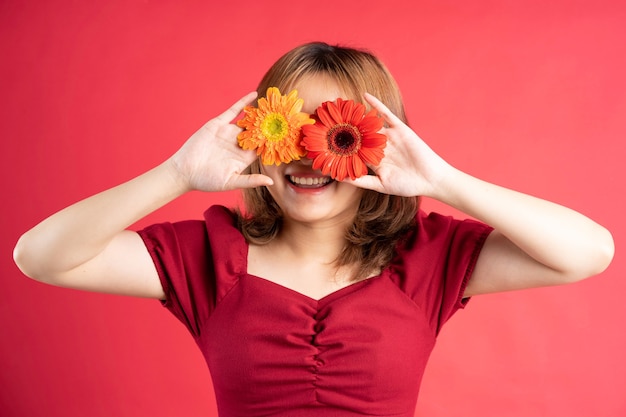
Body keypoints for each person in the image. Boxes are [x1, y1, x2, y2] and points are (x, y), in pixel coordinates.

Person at [13, 42, 614, 416]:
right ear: (260, 134)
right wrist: (177, 174)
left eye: (336, 134)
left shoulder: (429, 260)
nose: (307, 156)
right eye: (290, 129)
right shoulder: (207, 258)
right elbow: (40, 256)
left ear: (379, 145)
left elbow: (588, 252)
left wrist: (443, 181)